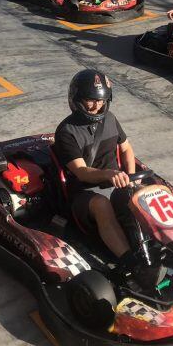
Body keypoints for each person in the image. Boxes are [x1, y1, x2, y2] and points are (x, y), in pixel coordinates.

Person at [53, 70, 137, 262]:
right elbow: (82, 172)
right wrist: (109, 174)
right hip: (85, 193)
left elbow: (126, 149)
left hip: (116, 182)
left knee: (147, 195)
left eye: (101, 100)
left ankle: (163, 245)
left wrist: (131, 178)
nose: (97, 105)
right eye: (91, 100)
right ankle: (130, 261)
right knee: (102, 205)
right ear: (77, 99)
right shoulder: (66, 132)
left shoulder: (111, 119)